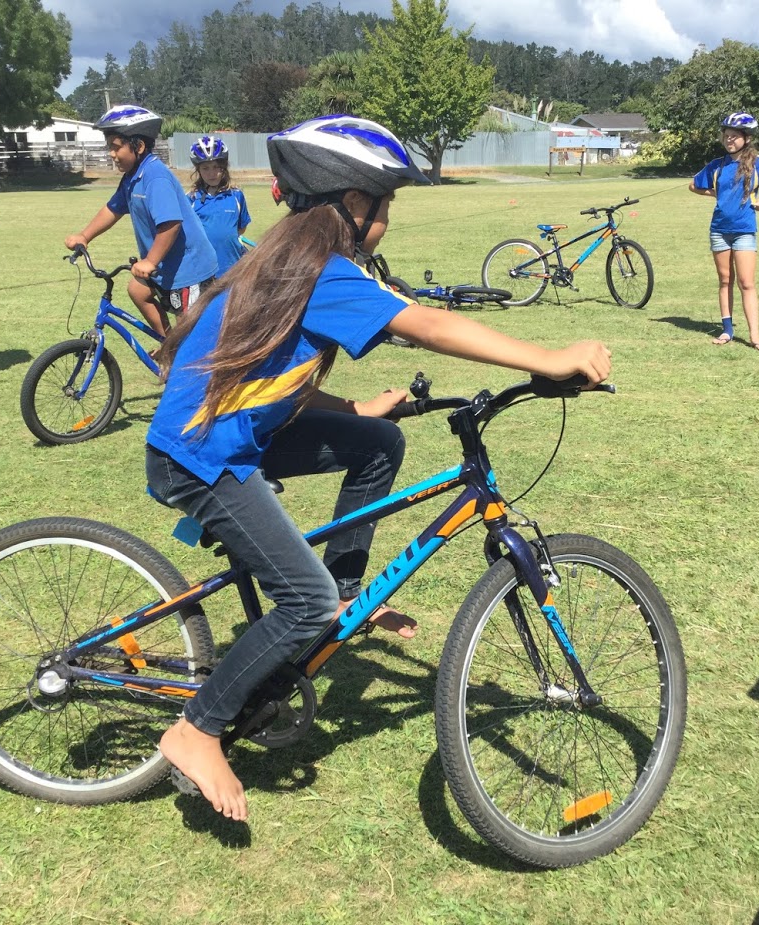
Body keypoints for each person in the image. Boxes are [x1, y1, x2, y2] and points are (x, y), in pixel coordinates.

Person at [146, 115, 612, 822]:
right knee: (297, 600)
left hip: (238, 431)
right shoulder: (320, 271)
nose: (386, 220)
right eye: (383, 205)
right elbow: (423, 322)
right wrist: (548, 358)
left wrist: (357, 406)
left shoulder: (289, 266)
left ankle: (339, 593)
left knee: (376, 444)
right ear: (348, 204)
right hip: (200, 452)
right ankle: (197, 729)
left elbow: (276, 369)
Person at [65, 106, 217, 337]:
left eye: (116, 147)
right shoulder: (132, 178)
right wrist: (85, 236)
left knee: (191, 335)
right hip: (165, 267)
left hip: (189, 269)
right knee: (137, 290)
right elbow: (113, 208)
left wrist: (150, 261)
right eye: (110, 148)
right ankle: (169, 344)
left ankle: (185, 360)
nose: (112, 154)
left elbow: (171, 224)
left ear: (139, 146)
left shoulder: (155, 177)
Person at [689, 112, 759, 352]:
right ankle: (727, 330)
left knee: (747, 283)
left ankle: (755, 336)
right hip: (719, 230)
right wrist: (715, 193)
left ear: (746, 138)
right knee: (725, 280)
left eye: (734, 136)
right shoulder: (717, 165)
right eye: (726, 136)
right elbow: (694, 185)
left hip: (744, 231)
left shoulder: (758, 163)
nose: (729, 140)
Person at [188, 136, 251, 277]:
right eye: (205, 168)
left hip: (233, 270)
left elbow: (241, 228)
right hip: (203, 273)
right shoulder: (191, 199)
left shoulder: (236, 196)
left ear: (224, 168)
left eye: (216, 167)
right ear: (198, 170)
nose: (212, 173)